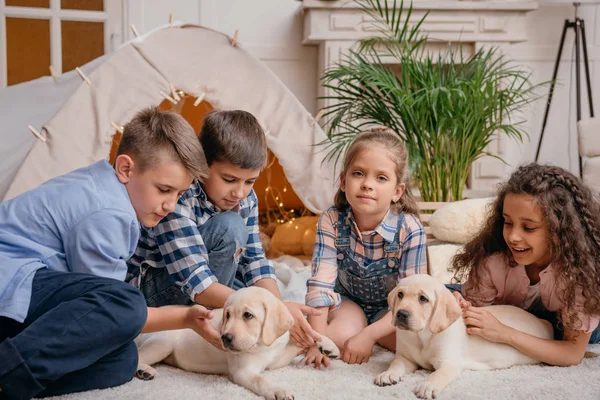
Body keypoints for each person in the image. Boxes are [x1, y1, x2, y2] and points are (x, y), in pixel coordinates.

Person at [0, 107, 223, 400]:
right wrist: (183, 317)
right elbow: (111, 309)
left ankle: (15, 368)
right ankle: (6, 374)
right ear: (126, 168)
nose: (170, 204)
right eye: (163, 189)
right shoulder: (108, 212)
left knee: (122, 360)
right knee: (126, 301)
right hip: (12, 281)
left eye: (178, 194)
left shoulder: (104, 186)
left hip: (23, 294)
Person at [127, 110, 321, 348]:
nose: (239, 192)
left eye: (250, 181)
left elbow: (254, 260)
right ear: (202, 166)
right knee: (230, 228)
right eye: (229, 180)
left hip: (212, 282)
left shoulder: (246, 199)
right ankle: (207, 321)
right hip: (156, 290)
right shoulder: (178, 195)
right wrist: (260, 307)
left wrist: (277, 310)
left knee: (258, 299)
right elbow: (195, 279)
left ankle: (230, 315)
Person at [452, 163, 600, 366]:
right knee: (444, 294)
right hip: (513, 315)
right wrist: (463, 309)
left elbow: (572, 354)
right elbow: (473, 324)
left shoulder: (579, 275)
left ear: (560, 230)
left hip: (568, 326)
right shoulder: (493, 265)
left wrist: (504, 334)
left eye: (528, 227)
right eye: (508, 222)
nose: (513, 237)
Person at [303, 129, 428, 368]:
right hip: (349, 302)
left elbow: (410, 300)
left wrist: (368, 336)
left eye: (381, 178)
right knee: (336, 341)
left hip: (393, 309)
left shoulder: (410, 229)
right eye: (358, 173)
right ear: (343, 181)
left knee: (416, 347)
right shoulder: (331, 220)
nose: (367, 185)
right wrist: (317, 341)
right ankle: (350, 328)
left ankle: (368, 331)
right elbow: (320, 284)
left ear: (397, 191)